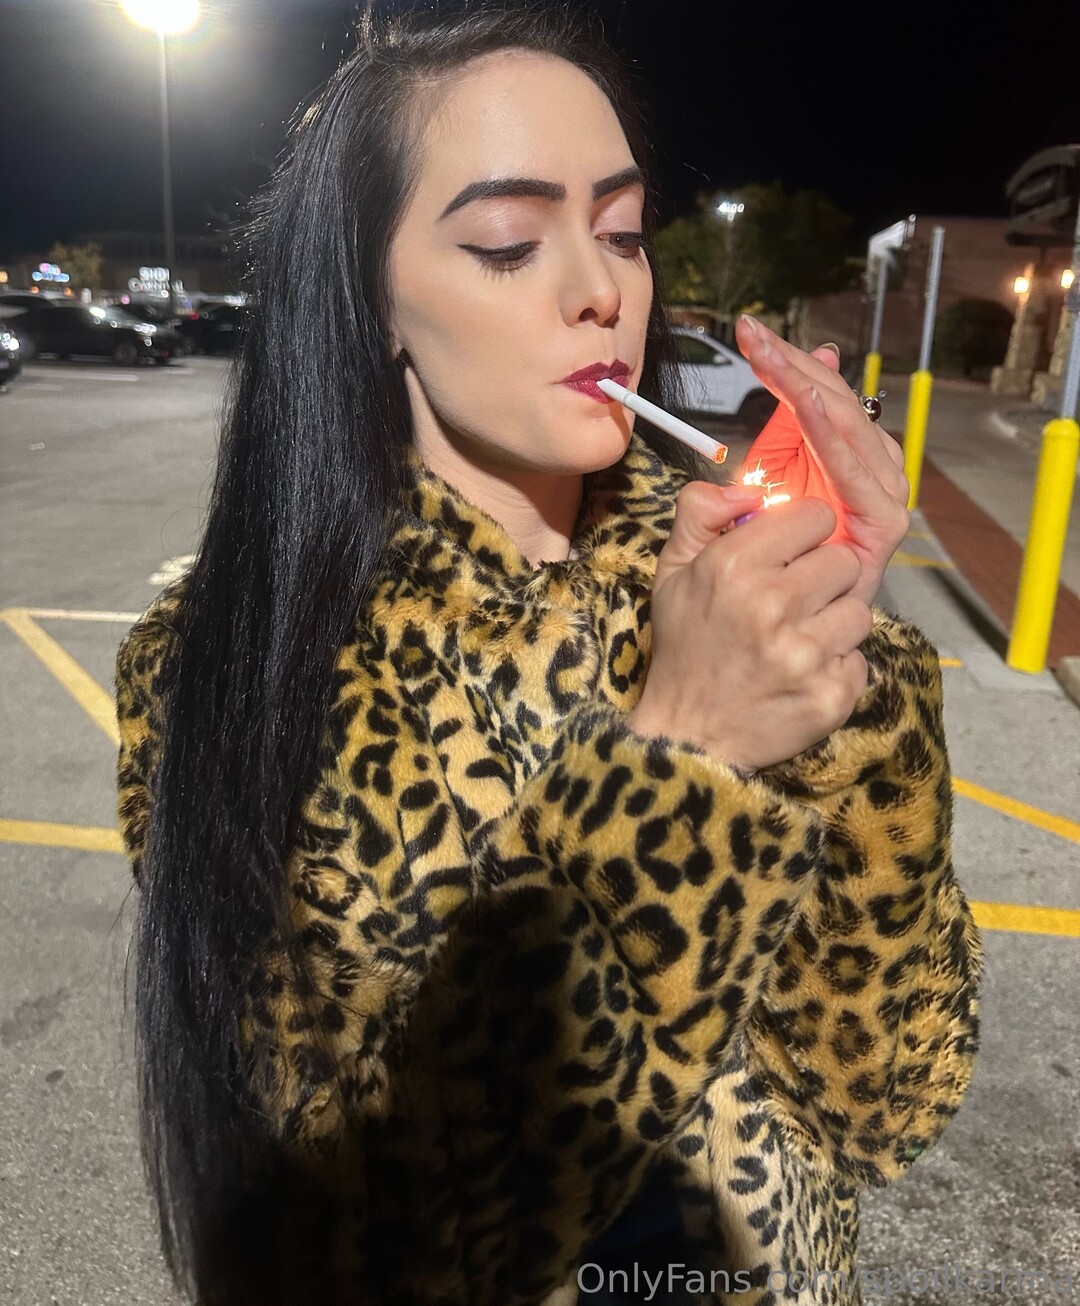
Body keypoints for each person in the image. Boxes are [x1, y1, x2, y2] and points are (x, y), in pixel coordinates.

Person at [113, 5, 984, 1304]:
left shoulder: (716, 580)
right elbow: (372, 1241)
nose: (603, 289)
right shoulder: (232, 663)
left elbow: (884, 1106)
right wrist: (679, 768)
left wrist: (852, 677)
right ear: (369, 301)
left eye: (623, 231)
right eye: (510, 244)